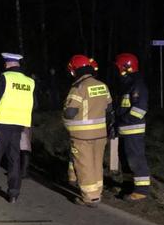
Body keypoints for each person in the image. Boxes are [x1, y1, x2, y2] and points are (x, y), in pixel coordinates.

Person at [0, 52, 35, 203]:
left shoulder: (3, 77)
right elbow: (33, 104)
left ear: (8, 63)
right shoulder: (30, 82)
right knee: (14, 159)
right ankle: (13, 194)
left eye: (5, 63)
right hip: (19, 125)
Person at [63, 55, 114, 207]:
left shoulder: (78, 88)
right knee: (96, 163)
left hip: (82, 135)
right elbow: (110, 109)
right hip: (100, 134)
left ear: (75, 70)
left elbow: (70, 112)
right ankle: (97, 191)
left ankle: (90, 197)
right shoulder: (102, 85)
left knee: (84, 165)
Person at [114, 53, 150, 201]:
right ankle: (128, 186)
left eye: (119, 67)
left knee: (136, 159)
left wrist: (124, 120)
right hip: (124, 129)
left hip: (133, 129)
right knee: (125, 160)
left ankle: (141, 190)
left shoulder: (137, 85)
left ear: (126, 67)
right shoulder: (127, 84)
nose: (117, 70)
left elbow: (139, 109)